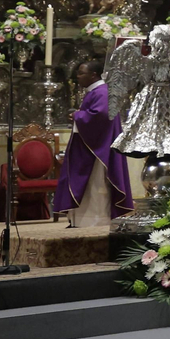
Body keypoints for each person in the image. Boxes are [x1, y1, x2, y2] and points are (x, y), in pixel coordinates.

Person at [53, 59, 131, 229]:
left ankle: (94, 221)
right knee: (89, 186)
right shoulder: (96, 91)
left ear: (94, 75)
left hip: (97, 151)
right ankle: (81, 220)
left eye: (81, 73)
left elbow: (100, 115)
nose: (78, 77)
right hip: (92, 146)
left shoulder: (102, 92)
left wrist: (78, 116)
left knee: (95, 186)